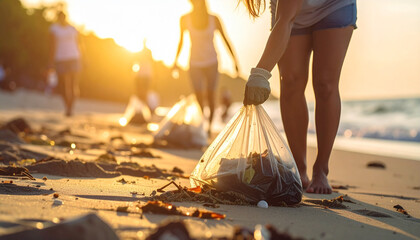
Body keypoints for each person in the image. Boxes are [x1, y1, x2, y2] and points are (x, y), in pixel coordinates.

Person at [242, 0, 357, 194]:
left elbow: (287, 18)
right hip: (291, 13)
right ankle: (299, 169)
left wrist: (260, 73)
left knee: (325, 84)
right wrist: (260, 74)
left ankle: (321, 169)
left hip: (334, 5)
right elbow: (286, 17)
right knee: (291, 82)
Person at [173, 0, 239, 135]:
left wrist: (235, 61)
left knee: (210, 94)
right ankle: (202, 121)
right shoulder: (185, 19)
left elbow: (225, 39)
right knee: (198, 94)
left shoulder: (214, 19)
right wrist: (175, 61)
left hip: (212, 62)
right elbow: (181, 41)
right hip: (194, 63)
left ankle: (208, 127)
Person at [49, 11, 83, 117]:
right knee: (63, 85)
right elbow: (51, 45)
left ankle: (70, 108)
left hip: (74, 57)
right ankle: (67, 106)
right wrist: (50, 61)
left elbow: (80, 43)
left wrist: (83, 58)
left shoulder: (73, 29)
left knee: (73, 85)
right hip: (60, 58)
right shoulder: (54, 29)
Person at [133, 39, 154, 111]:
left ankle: (146, 108)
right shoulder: (140, 52)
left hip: (146, 74)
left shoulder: (148, 52)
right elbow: (135, 62)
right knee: (141, 91)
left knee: (145, 91)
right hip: (141, 74)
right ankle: (141, 108)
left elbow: (152, 62)